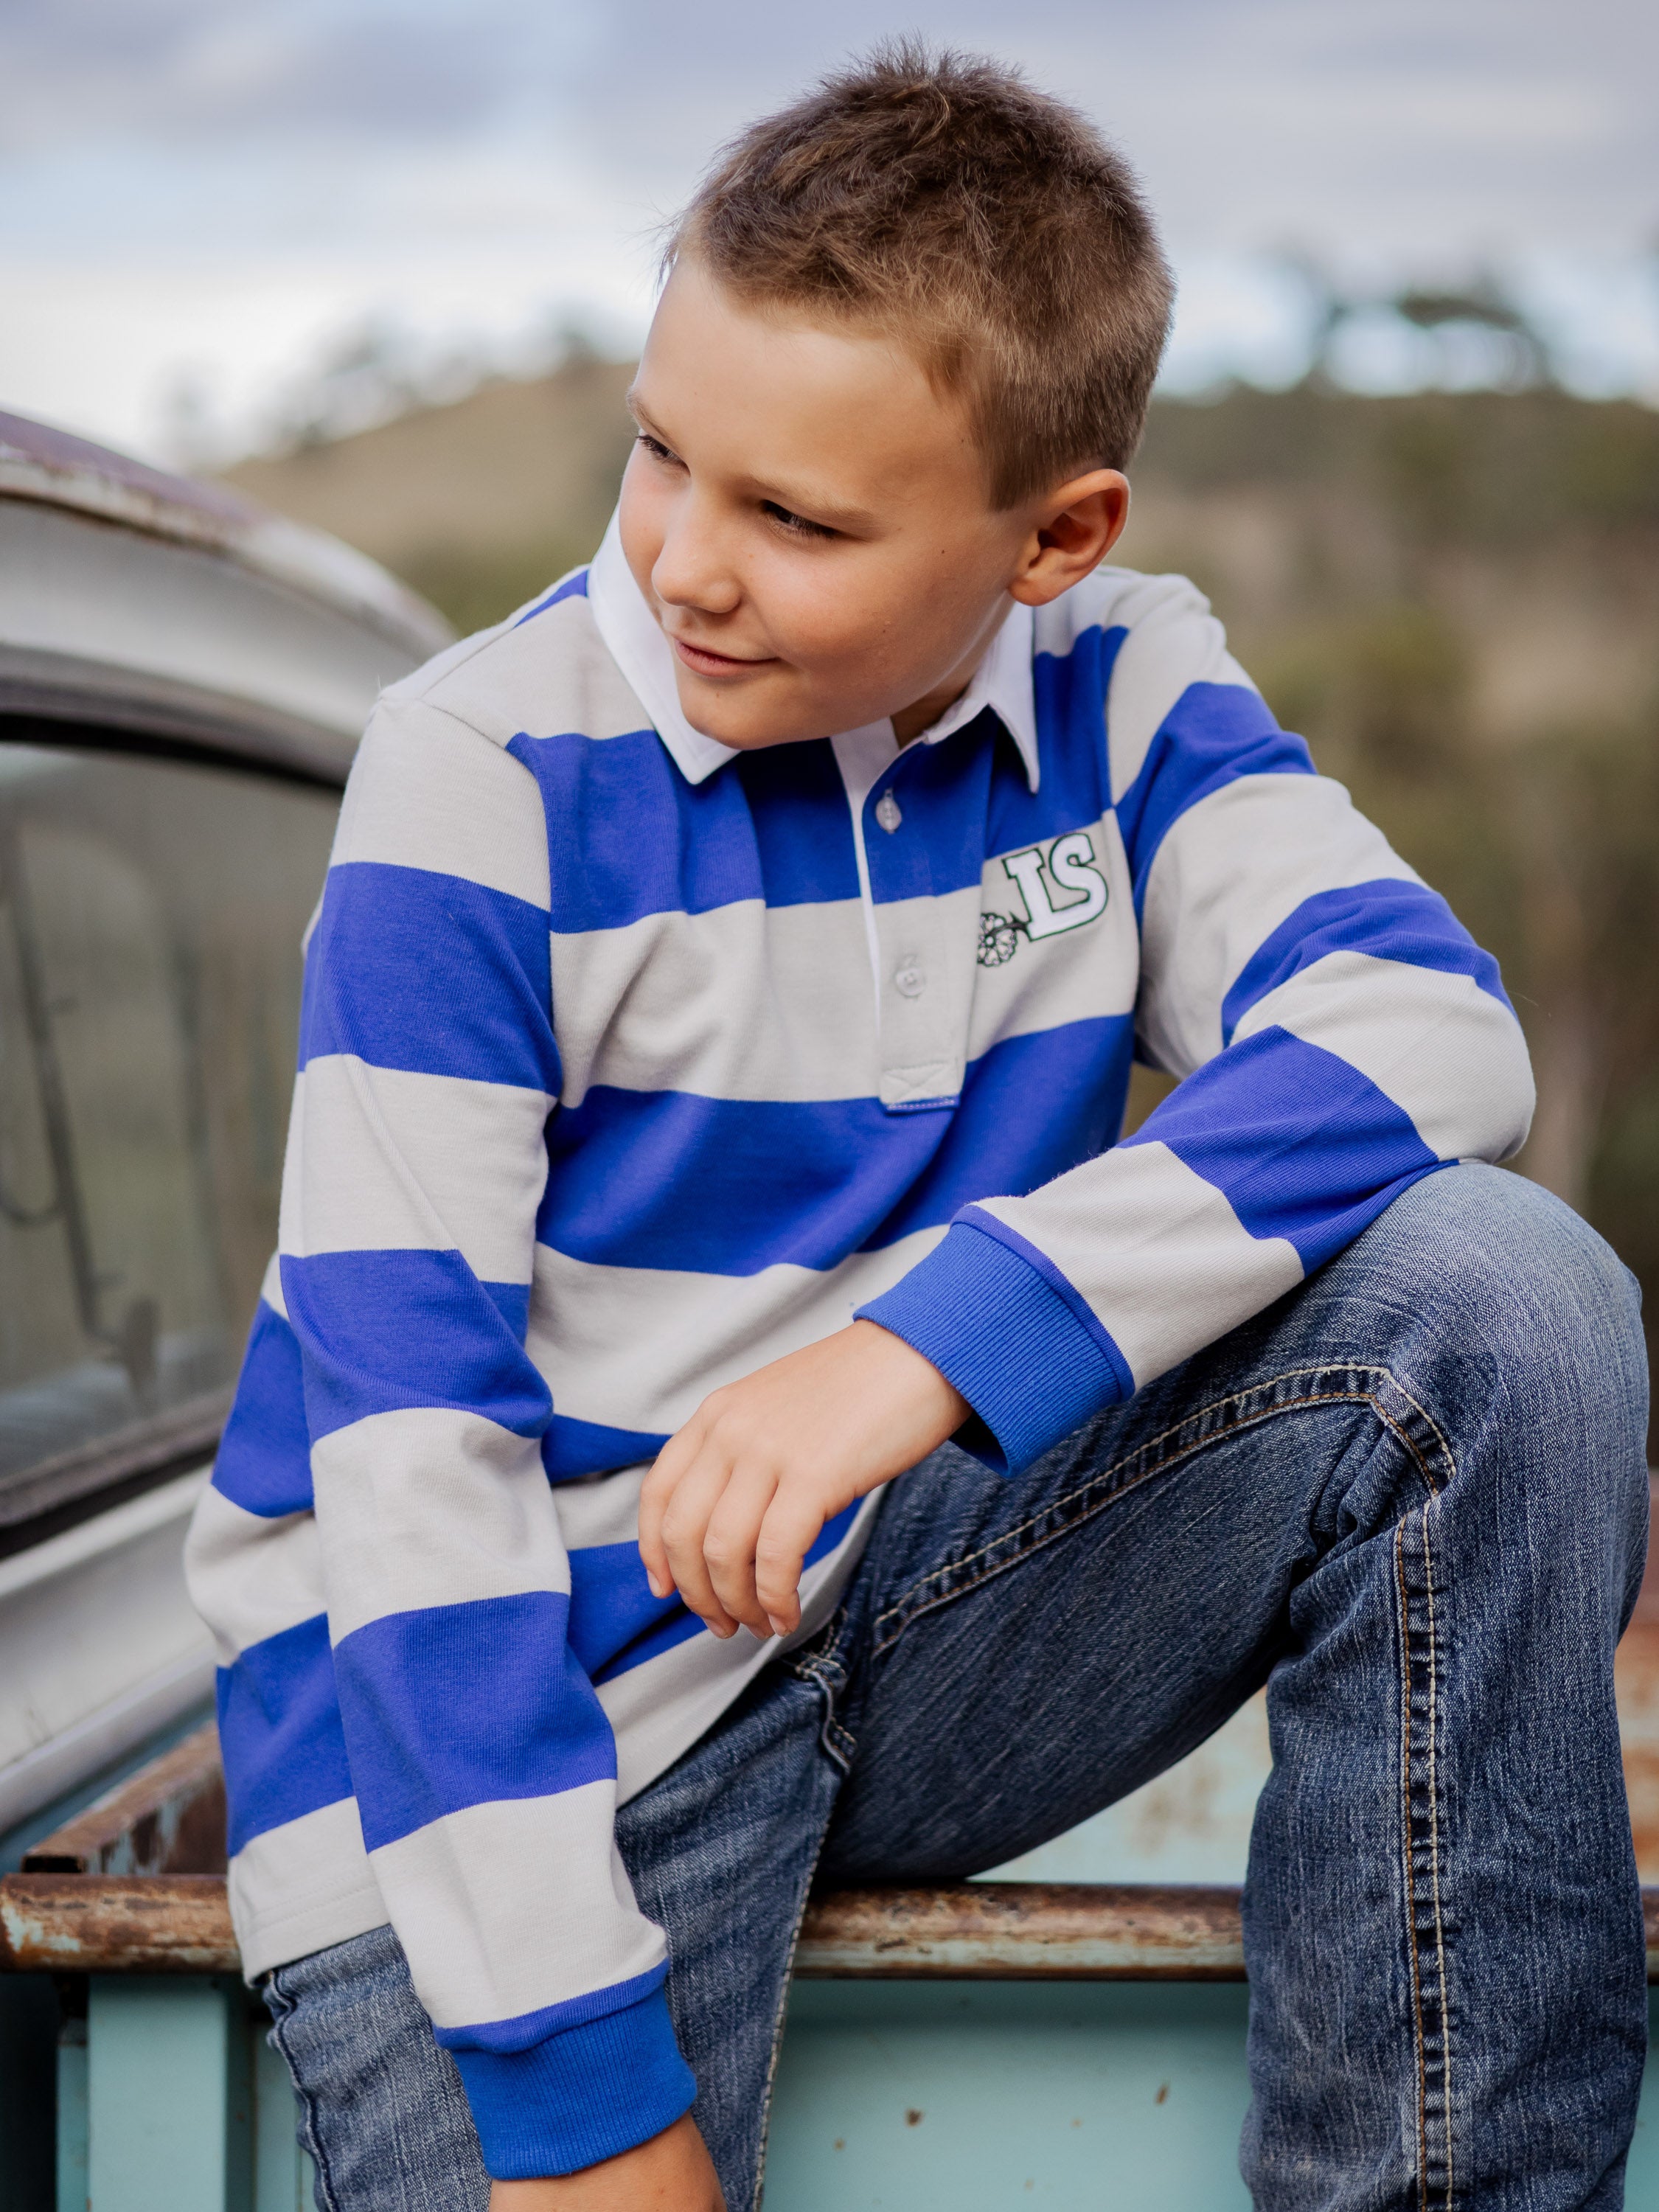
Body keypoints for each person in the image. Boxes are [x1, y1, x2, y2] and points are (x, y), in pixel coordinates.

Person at [186, 41, 1649, 2212]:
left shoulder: (1121, 688)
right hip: (514, 1704)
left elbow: (1421, 1024)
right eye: (660, 456)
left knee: (1506, 1304)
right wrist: (580, 2103)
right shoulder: (476, 771)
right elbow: (406, 1473)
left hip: (922, 1596)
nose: (683, 563)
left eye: (793, 519)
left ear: (1051, 537)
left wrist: (916, 1351)